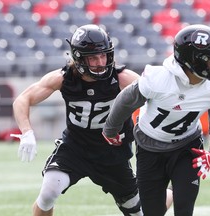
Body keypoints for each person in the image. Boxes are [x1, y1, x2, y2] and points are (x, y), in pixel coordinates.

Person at [11, 24, 146, 216]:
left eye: (103, 55)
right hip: (75, 148)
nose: (100, 62)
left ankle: (172, 192)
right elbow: (22, 99)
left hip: (112, 153)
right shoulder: (64, 78)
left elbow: (154, 99)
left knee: (136, 211)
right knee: (49, 191)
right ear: (79, 58)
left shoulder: (122, 78)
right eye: (93, 57)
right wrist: (27, 132)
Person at [102, 24, 210, 216]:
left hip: (188, 147)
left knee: (184, 209)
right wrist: (110, 130)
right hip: (149, 148)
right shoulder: (159, 79)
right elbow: (125, 101)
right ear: (195, 61)